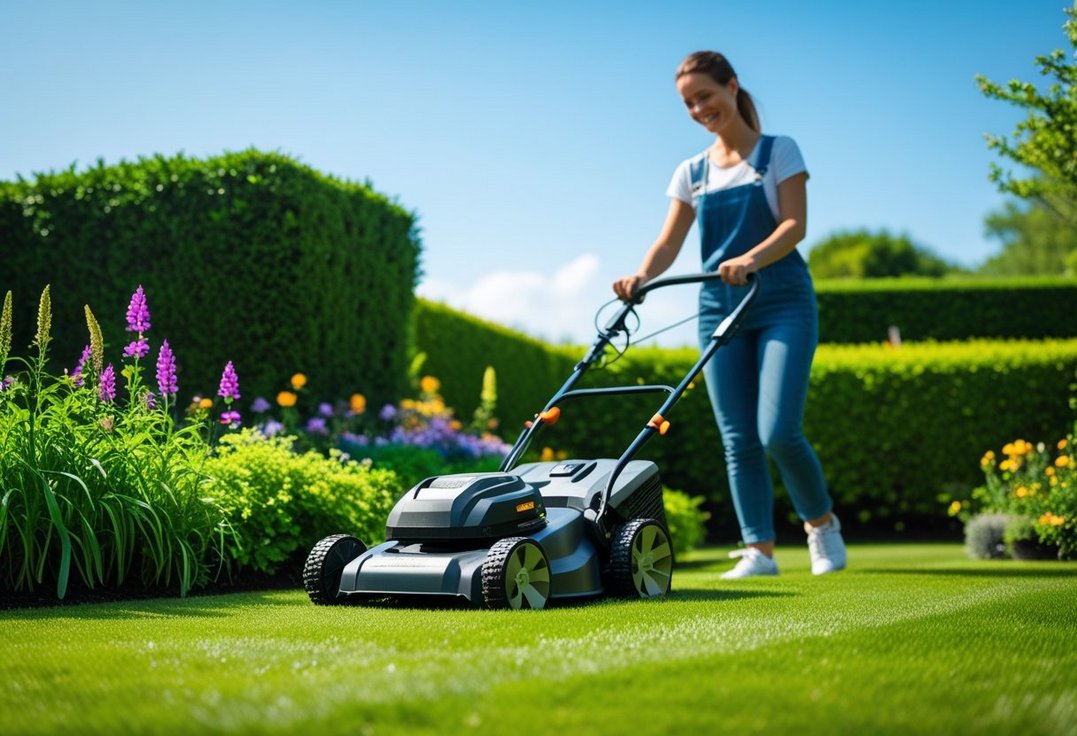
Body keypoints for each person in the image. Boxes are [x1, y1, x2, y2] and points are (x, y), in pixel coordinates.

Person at [613, 51, 846, 578]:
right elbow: (668, 242)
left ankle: (821, 526)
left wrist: (751, 258)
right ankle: (758, 551)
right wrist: (639, 278)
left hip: (782, 300)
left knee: (779, 431)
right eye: (688, 102)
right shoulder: (691, 172)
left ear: (732, 87)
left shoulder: (777, 152)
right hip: (718, 307)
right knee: (737, 437)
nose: (698, 108)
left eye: (705, 96)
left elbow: (794, 226)